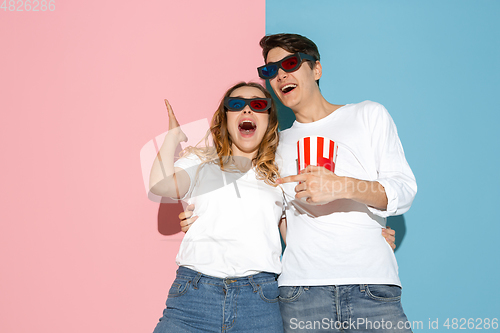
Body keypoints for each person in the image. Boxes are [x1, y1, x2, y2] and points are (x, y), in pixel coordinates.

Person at [181, 33, 417, 332]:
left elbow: (404, 191)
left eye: (290, 63)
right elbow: (262, 207)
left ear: (316, 69)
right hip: (300, 293)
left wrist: (343, 186)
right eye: (269, 71)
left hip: (371, 285)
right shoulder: (273, 145)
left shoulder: (368, 115)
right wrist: (204, 219)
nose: (280, 75)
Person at [149, 82, 285, 332]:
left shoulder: (281, 173)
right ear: (225, 117)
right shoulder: (201, 162)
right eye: (236, 105)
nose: (246, 111)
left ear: (269, 119)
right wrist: (173, 136)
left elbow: (299, 236)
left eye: (257, 105)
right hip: (194, 295)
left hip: (259, 301)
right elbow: (160, 185)